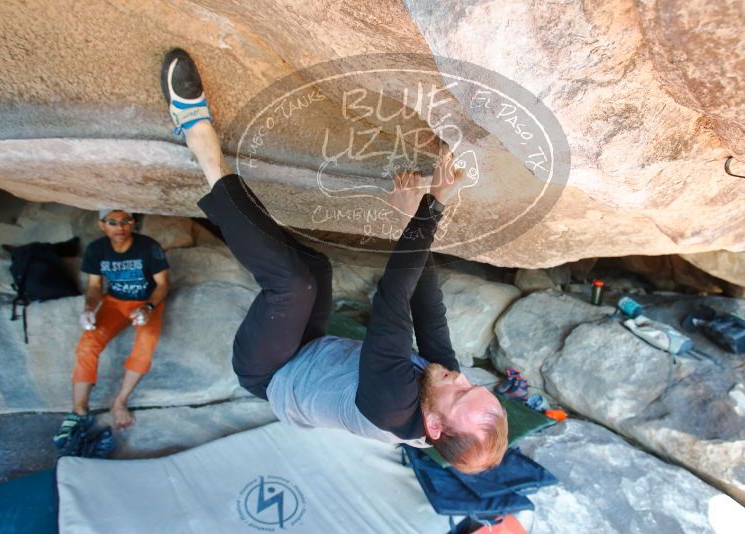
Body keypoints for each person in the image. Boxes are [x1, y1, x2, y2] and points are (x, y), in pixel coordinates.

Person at [161, 49, 507, 473]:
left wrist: (431, 206)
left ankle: (197, 136)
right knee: (315, 266)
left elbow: (393, 301)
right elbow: (427, 308)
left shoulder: (391, 406)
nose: (461, 377)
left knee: (293, 284)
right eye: (475, 384)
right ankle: (231, 208)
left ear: (433, 426)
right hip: (312, 349)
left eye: (461, 393)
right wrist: (406, 215)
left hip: (269, 373)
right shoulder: (446, 386)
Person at [53, 210, 171, 449]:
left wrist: (148, 307)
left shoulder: (149, 247)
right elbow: (95, 286)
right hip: (115, 303)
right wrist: (89, 309)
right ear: (102, 225)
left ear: (133, 224)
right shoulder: (97, 249)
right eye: (113, 222)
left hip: (145, 302)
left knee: (145, 345)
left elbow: (163, 284)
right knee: (88, 344)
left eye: (126, 221)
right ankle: (78, 411)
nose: (120, 227)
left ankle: (119, 402)